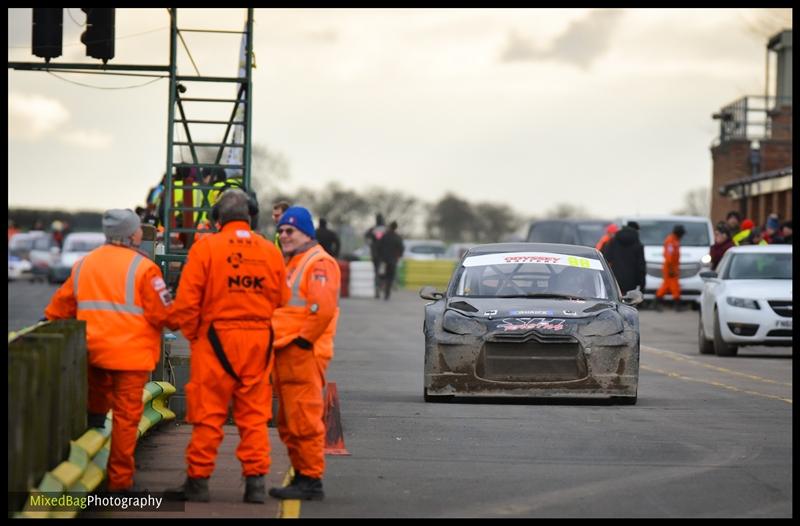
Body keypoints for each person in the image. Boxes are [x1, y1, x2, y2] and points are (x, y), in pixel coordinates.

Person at [165, 189, 288, 504]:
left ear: (216, 219)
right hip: (259, 344)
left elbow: (186, 305)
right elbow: (282, 300)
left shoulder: (206, 248)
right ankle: (256, 484)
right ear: (252, 216)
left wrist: (195, 336)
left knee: (208, 415)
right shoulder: (270, 251)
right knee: (255, 416)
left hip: (215, 342)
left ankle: (198, 482)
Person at [44, 209, 175, 492]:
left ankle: (89, 459)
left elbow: (58, 310)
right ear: (131, 235)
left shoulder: (83, 265)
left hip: (93, 354)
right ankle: (120, 483)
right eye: (139, 228)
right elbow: (164, 315)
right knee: (127, 421)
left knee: (95, 412)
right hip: (131, 358)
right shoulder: (145, 268)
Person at [269, 206, 341, 501]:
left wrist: (302, 341)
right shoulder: (294, 261)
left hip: (302, 351)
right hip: (287, 349)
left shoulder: (319, 262)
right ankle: (302, 475)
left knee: (304, 419)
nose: (284, 235)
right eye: (281, 230)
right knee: (289, 421)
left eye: (291, 230)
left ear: (306, 232)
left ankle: (311, 480)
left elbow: (321, 308)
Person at [601, 221, 645, 296]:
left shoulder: (613, 241)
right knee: (628, 302)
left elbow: (606, 258)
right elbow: (640, 265)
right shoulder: (638, 244)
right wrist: (642, 283)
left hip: (615, 278)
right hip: (631, 280)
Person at [654, 224, 685, 311]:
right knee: (674, 286)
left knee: (667, 285)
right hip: (670, 267)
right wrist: (671, 269)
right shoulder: (671, 241)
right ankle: (677, 305)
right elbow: (669, 256)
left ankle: (657, 302)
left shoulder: (674, 240)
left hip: (672, 267)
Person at [375, 221, 405, 300]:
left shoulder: (384, 236)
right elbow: (401, 248)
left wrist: (379, 256)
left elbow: (378, 246)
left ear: (390, 227)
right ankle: (387, 293)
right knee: (390, 277)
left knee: (381, 276)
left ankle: (378, 290)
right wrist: (398, 256)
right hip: (392, 261)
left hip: (383, 261)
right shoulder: (397, 237)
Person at [365, 213, 387, 298]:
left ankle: (377, 289)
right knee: (383, 272)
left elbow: (367, 238)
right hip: (384, 255)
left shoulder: (372, 230)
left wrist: (371, 245)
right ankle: (382, 286)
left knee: (376, 271)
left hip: (375, 254)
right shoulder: (386, 230)